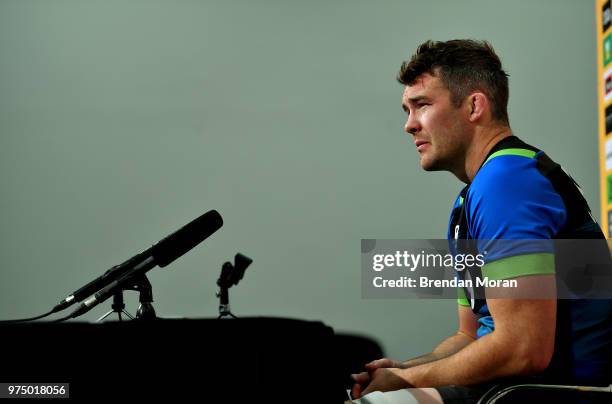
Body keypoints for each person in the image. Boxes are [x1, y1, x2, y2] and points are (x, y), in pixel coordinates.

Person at [348, 40, 612, 404]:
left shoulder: (508, 182)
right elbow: (470, 337)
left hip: (549, 392)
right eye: (406, 110)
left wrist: (407, 379)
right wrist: (400, 370)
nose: (409, 125)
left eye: (422, 105)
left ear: (474, 105)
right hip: (509, 389)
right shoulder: (472, 197)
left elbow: (523, 349)